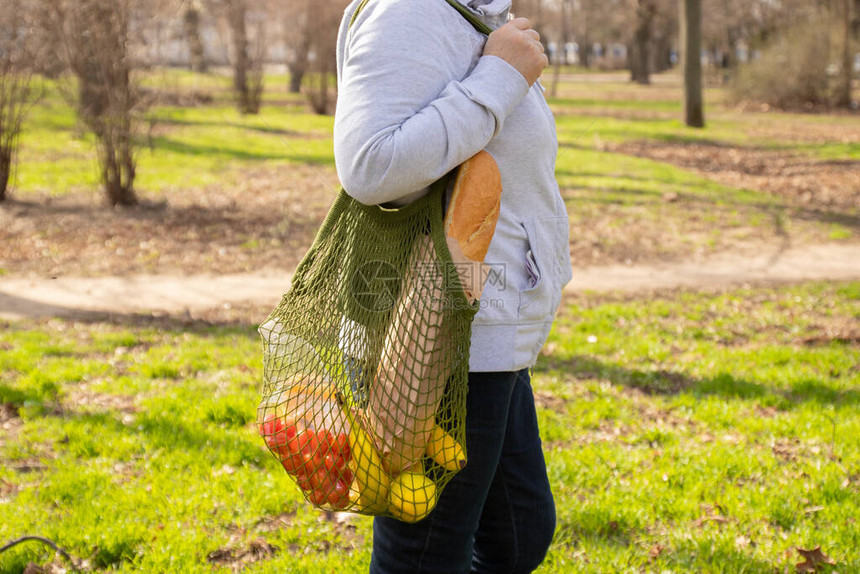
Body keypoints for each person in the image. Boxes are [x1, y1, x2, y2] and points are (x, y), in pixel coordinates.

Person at [333, 0, 573, 571]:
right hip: (434, 336)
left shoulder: (470, 11)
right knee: (424, 556)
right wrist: (499, 78)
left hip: (489, 330)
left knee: (518, 533)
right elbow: (371, 164)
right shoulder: (410, 12)